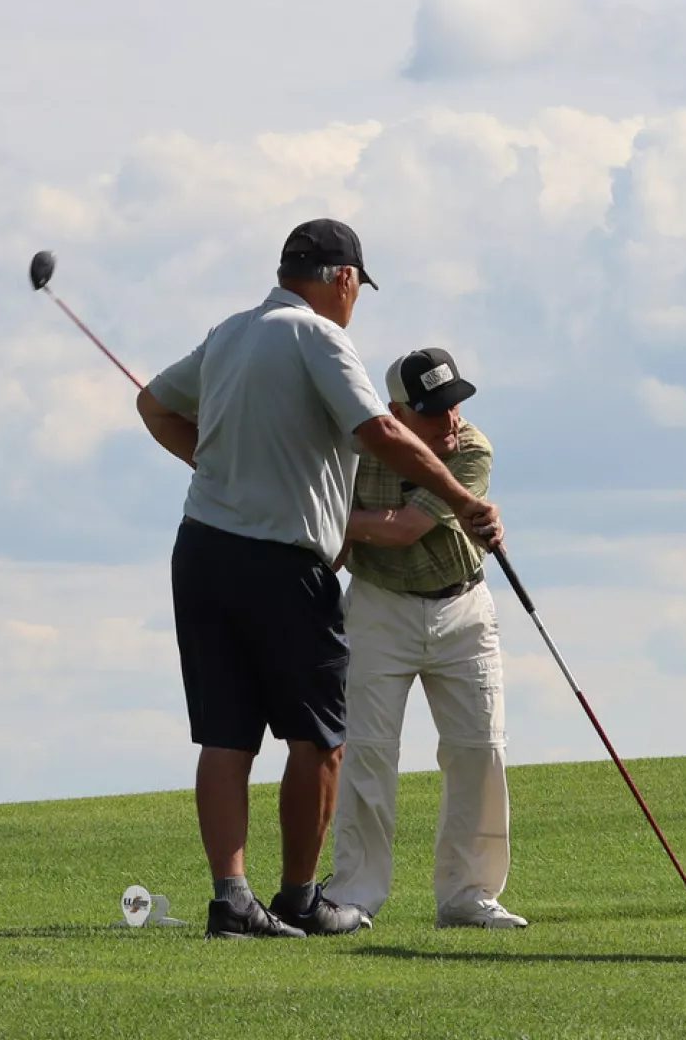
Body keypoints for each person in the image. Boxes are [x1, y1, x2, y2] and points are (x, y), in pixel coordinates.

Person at [137, 219, 503, 940]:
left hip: (202, 550)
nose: (354, 302)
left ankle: (231, 901)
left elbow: (154, 405)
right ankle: (302, 896)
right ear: (342, 279)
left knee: (227, 735)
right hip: (281, 563)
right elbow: (380, 433)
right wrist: (463, 502)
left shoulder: (231, 332)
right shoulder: (320, 338)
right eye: (356, 289)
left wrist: (221, 473)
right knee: (319, 739)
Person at [329, 348, 526, 930]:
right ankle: (355, 894)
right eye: (434, 412)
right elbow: (346, 546)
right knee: (367, 751)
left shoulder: (470, 450)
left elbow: (404, 529)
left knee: (478, 750)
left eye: (455, 405)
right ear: (394, 413)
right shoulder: (355, 452)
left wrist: (323, 515)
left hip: (463, 608)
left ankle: (468, 896)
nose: (452, 422)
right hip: (377, 609)